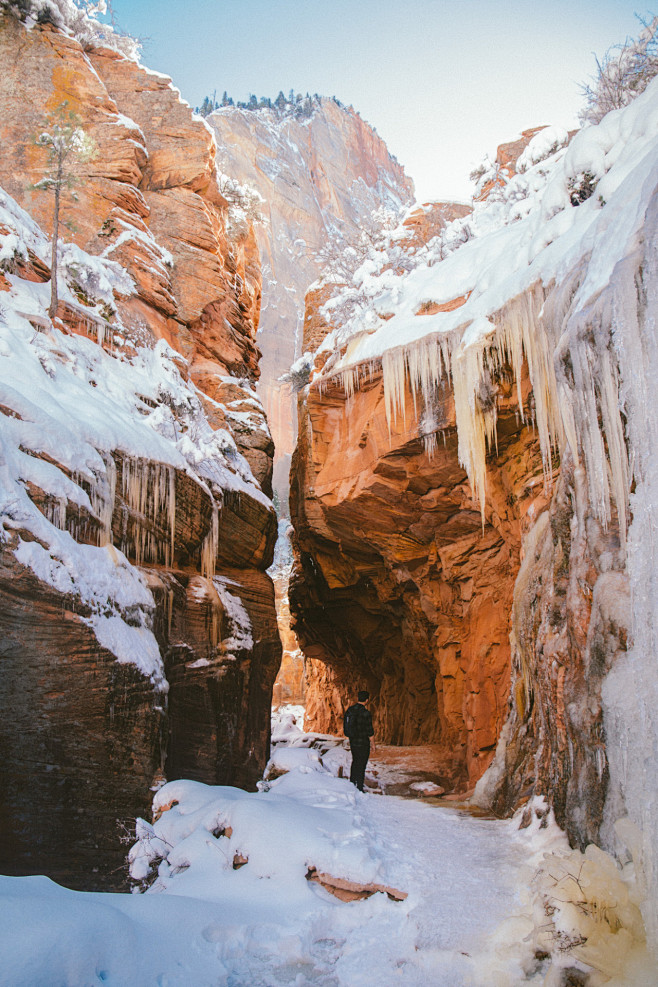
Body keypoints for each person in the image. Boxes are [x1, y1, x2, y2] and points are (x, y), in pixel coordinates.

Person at [343, 690, 375, 792]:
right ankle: (360, 787)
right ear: (367, 700)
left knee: (355, 760)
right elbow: (370, 731)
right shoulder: (366, 713)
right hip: (363, 742)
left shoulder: (350, 710)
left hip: (353, 741)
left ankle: (352, 782)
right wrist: (373, 744)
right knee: (362, 763)